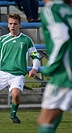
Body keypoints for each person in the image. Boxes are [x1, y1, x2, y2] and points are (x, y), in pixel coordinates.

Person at [37, 0, 72, 132]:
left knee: (45, 121)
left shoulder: (51, 9)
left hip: (64, 73)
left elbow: (61, 38)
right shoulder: (68, 10)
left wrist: (51, 65)